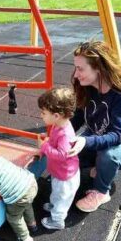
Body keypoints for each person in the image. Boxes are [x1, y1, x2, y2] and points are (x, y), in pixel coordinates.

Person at [68, 41, 121, 212]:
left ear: (98, 68)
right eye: (76, 68)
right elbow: (77, 118)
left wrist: (85, 142)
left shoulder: (120, 97)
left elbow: (118, 135)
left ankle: (101, 192)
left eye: (80, 69)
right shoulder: (87, 88)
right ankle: (99, 167)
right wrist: (58, 135)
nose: (76, 74)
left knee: (107, 155)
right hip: (98, 138)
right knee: (67, 153)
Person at [37, 88, 80, 230]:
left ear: (56, 115)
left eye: (43, 113)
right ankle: (54, 206)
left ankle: (57, 220)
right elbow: (55, 142)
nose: (41, 115)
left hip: (65, 177)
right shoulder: (59, 124)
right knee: (56, 192)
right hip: (60, 172)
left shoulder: (65, 134)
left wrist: (44, 147)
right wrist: (48, 141)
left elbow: (62, 155)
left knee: (62, 197)